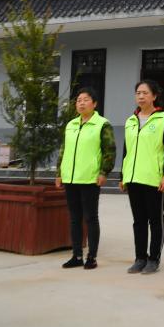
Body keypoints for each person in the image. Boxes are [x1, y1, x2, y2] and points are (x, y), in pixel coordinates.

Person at [55, 87, 115, 270]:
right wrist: (59, 173)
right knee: (74, 218)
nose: (81, 103)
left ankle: (92, 257)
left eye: (86, 100)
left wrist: (104, 172)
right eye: (79, 100)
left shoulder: (102, 124)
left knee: (90, 217)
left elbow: (110, 150)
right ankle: (77, 256)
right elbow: (63, 150)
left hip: (90, 178)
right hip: (70, 178)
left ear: (94, 104)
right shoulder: (71, 125)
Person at [120, 79, 164, 275]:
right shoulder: (130, 121)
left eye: (145, 93)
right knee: (138, 221)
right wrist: (123, 176)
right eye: (138, 93)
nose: (141, 96)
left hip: (154, 179)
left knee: (155, 220)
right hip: (133, 178)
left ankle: (154, 259)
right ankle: (140, 258)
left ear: (154, 96)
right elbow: (126, 150)